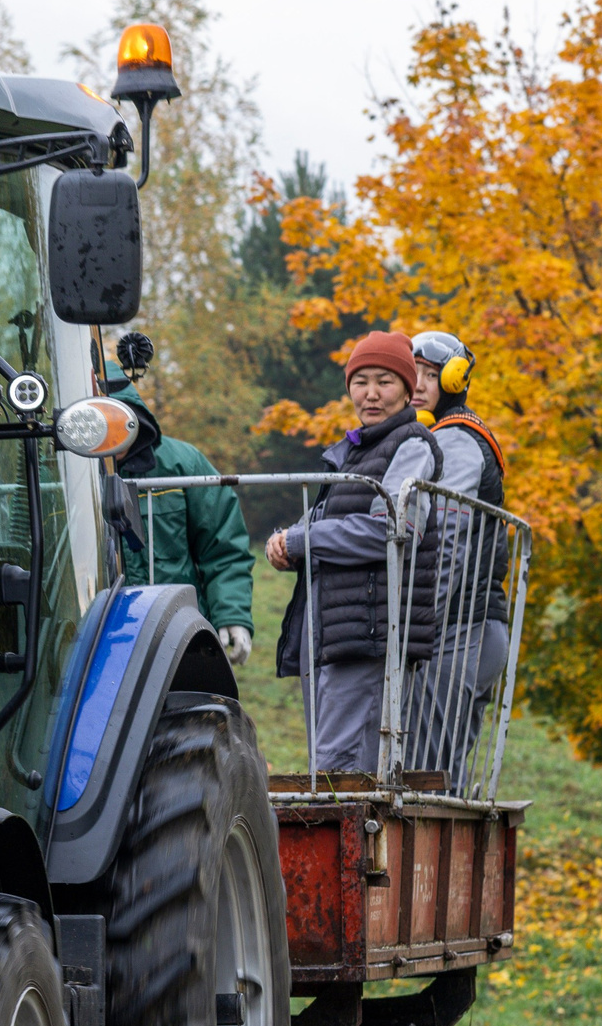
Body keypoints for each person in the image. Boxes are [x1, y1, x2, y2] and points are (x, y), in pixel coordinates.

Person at [266, 331, 443, 774]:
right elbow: (330, 517)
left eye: (385, 381)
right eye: (361, 381)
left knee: (341, 770)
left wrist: (307, 540)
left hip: (368, 631)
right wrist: (289, 540)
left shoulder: (412, 444)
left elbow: (396, 527)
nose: (371, 393)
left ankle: (358, 847)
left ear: (407, 388)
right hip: (333, 628)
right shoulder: (350, 452)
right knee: (328, 768)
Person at [104, 333, 256, 665]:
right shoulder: (53, 470)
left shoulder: (182, 464)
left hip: (176, 636)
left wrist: (232, 614)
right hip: (86, 637)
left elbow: (223, 548)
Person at [405, 329, 513, 787]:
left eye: (430, 375)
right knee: (444, 775)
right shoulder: (444, 435)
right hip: (471, 630)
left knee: (423, 772)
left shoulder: (458, 439)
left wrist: (419, 625)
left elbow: (449, 536)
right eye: (413, 375)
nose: (419, 385)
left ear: (453, 380)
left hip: (460, 632)